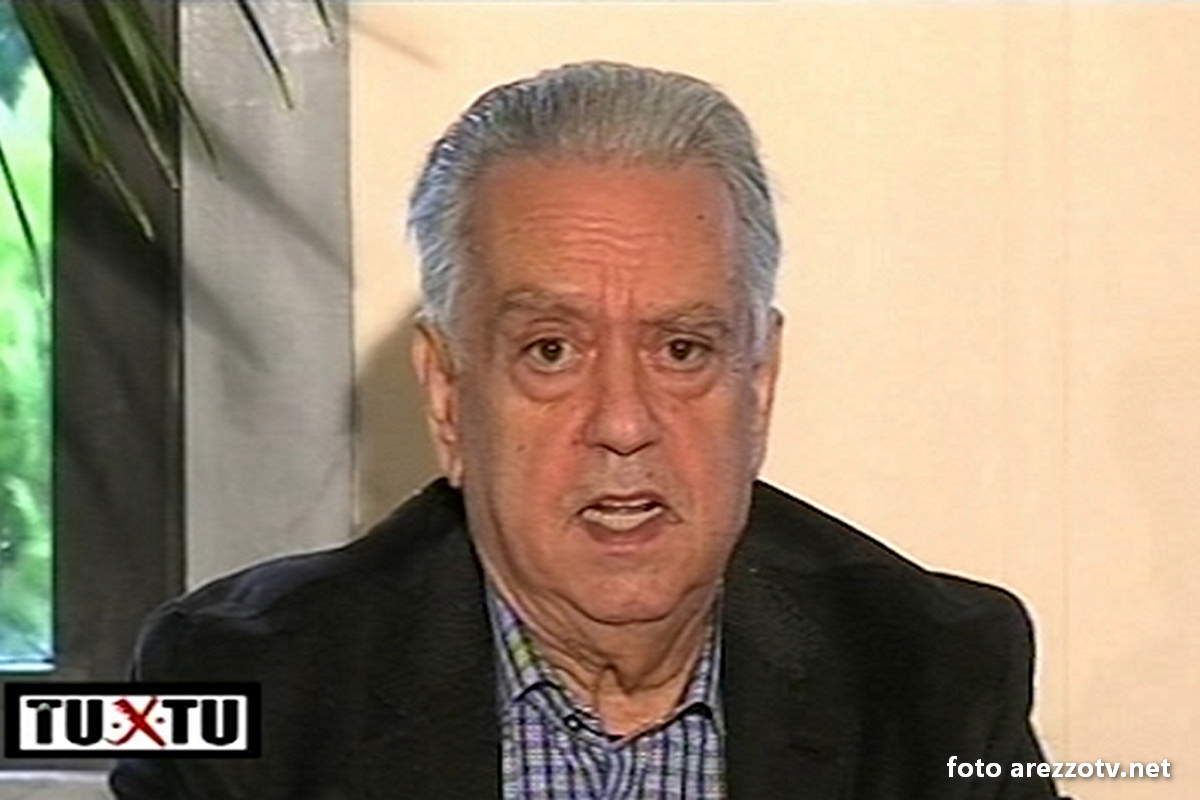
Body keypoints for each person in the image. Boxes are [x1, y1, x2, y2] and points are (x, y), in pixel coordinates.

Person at [111, 61, 1057, 799]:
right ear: (447, 395)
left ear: (759, 384)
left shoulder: (932, 673)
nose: (624, 423)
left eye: (682, 349)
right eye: (552, 351)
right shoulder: (246, 685)